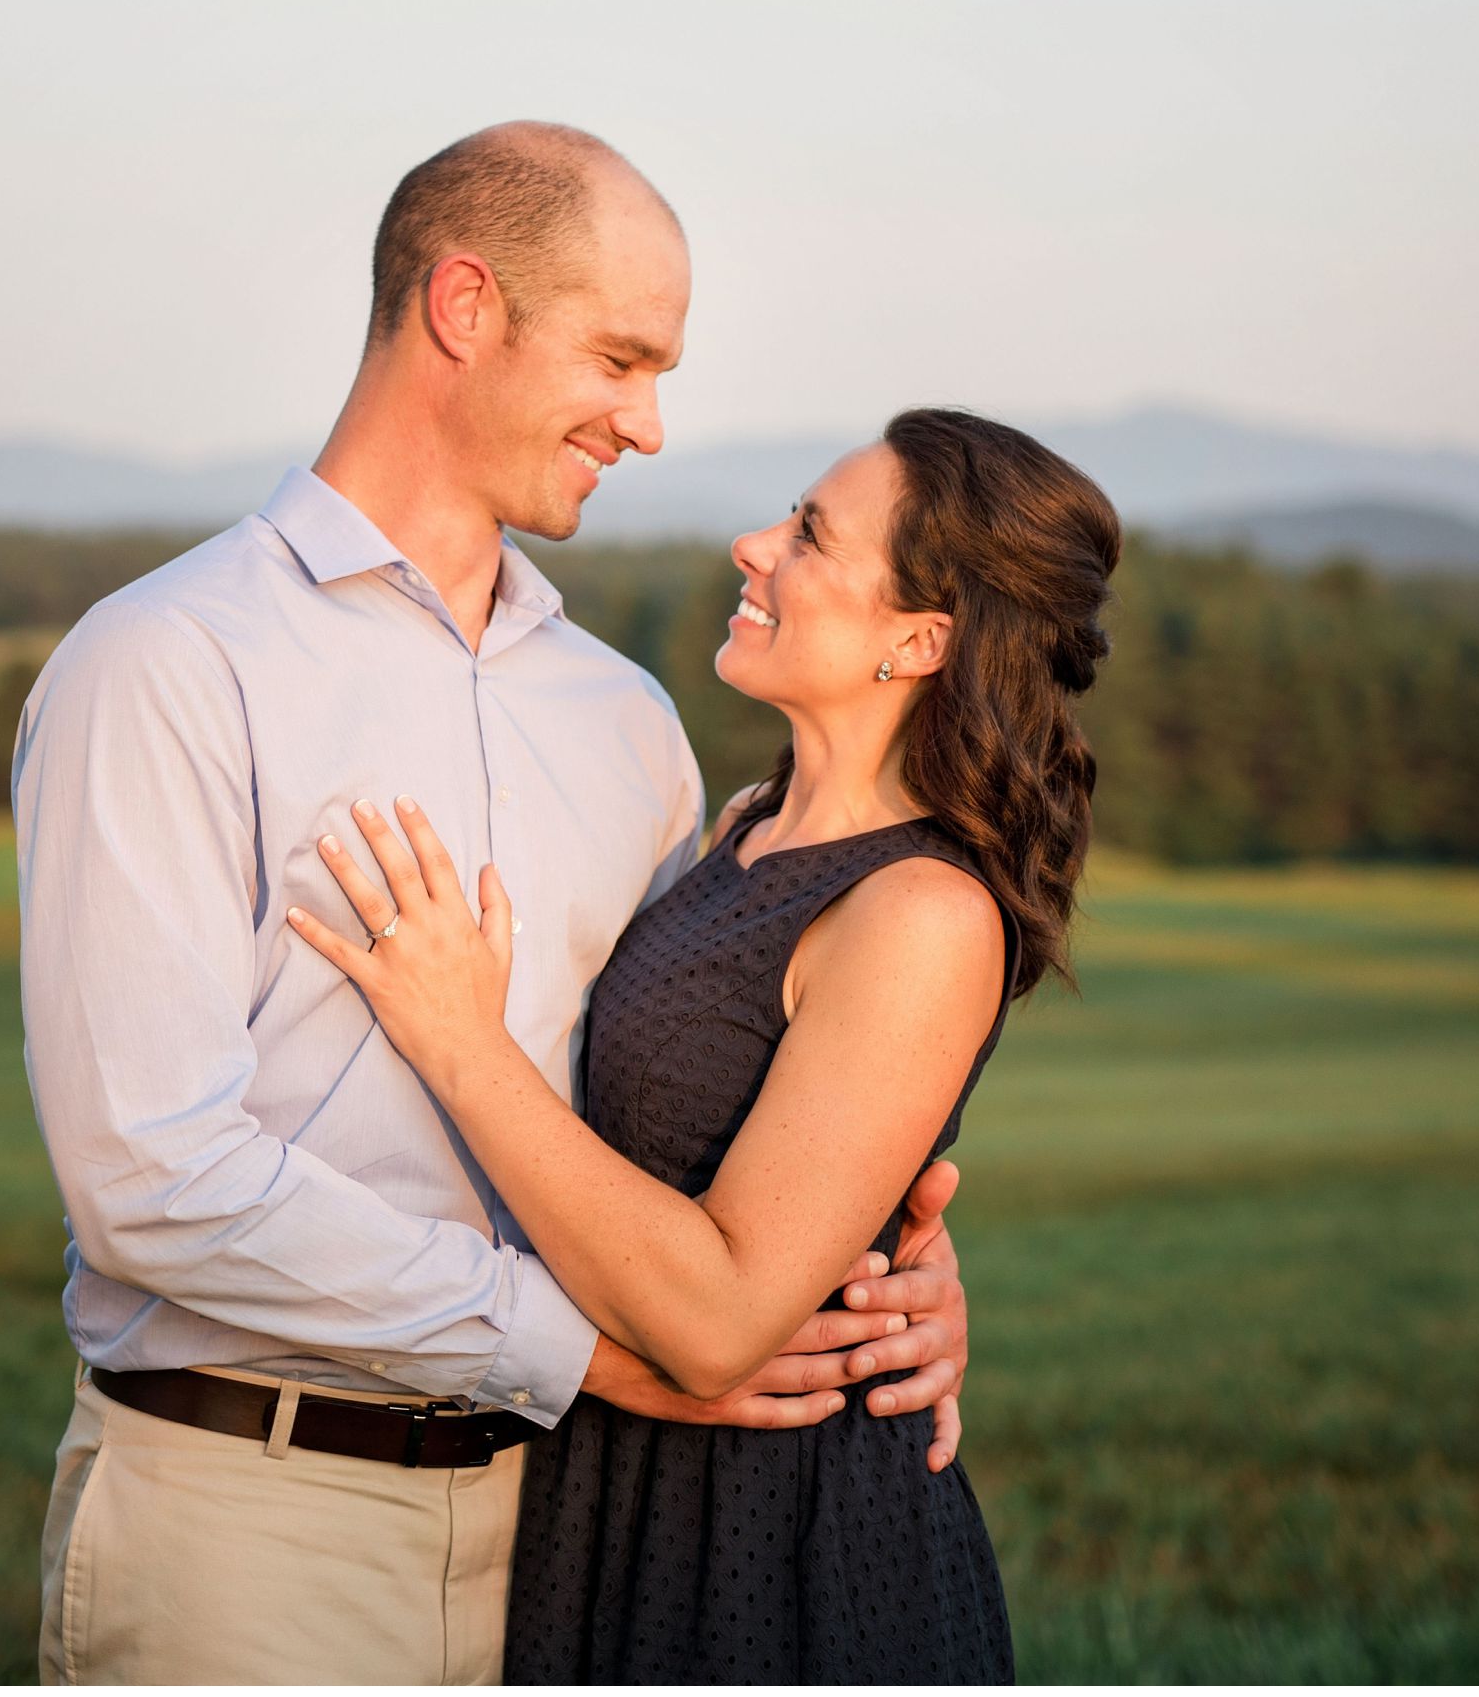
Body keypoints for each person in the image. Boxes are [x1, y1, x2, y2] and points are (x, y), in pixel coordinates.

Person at [14, 123, 974, 1686]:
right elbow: (149, 1171)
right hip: (262, 1527)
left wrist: (879, 1281)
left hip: (578, 1539)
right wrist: (581, 1346)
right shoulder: (168, 663)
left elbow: (708, 1096)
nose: (649, 424)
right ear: (465, 304)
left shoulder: (623, 718)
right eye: (619, 356)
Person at [288, 407, 1122, 1682]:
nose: (753, 547)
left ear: (918, 639)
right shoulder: (744, 826)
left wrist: (459, 1042)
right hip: (616, 1491)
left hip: (774, 1537)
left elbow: (727, 1316)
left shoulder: (923, 912)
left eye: (807, 536)